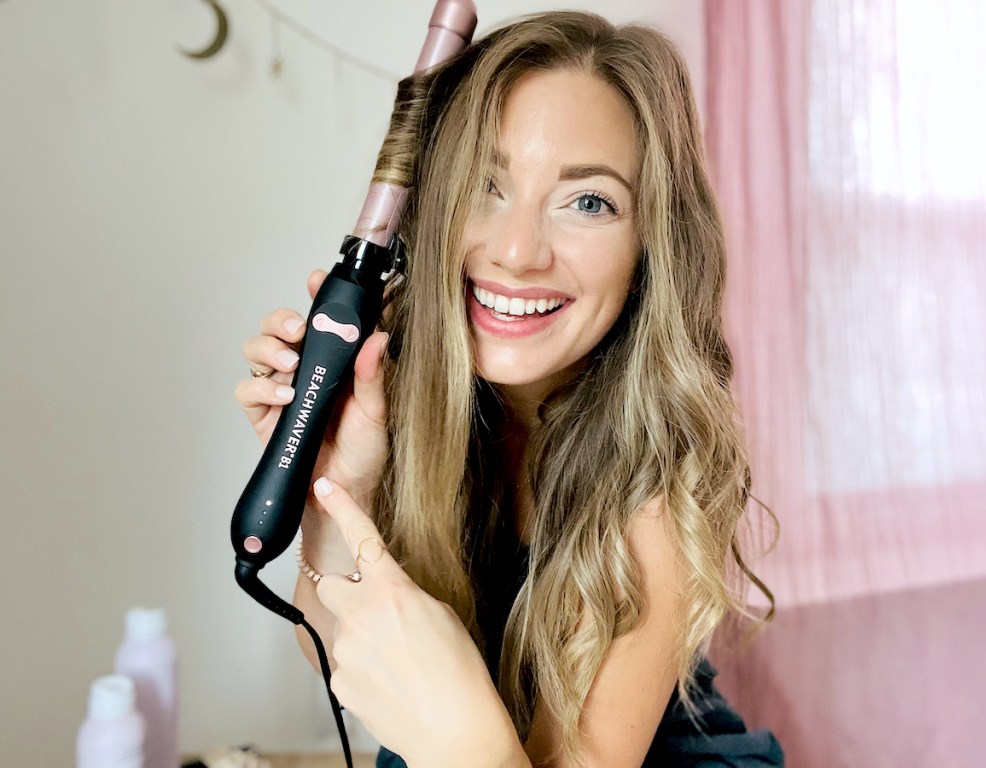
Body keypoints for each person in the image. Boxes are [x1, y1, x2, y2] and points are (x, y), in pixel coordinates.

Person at [236, 11, 783, 768]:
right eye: (485, 187)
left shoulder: (659, 479)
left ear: (650, 242)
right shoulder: (394, 387)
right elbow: (340, 646)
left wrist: (463, 743)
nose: (517, 251)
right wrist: (340, 488)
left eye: (587, 202)